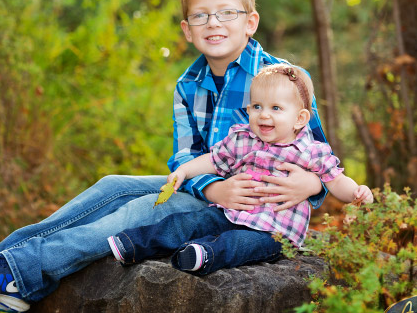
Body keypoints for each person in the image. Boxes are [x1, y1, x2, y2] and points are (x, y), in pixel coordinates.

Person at [0, 0, 330, 313]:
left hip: (251, 210)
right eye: (201, 15)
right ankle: (0, 265)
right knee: (112, 186)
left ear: (251, 22)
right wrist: (214, 189)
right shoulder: (188, 85)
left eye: (227, 13)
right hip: (209, 187)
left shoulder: (284, 78)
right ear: (186, 30)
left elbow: (321, 158)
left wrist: (312, 185)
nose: (214, 23)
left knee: (136, 212)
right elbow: (185, 157)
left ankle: (16, 275)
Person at [107, 64, 373, 275]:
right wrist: (185, 170)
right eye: (257, 107)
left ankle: (201, 255)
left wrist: (357, 192)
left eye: (276, 108)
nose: (263, 115)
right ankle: (133, 244)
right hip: (231, 212)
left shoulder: (312, 150)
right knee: (188, 223)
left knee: (239, 245)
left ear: (300, 118)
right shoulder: (242, 138)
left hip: (274, 231)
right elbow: (213, 160)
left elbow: (336, 180)